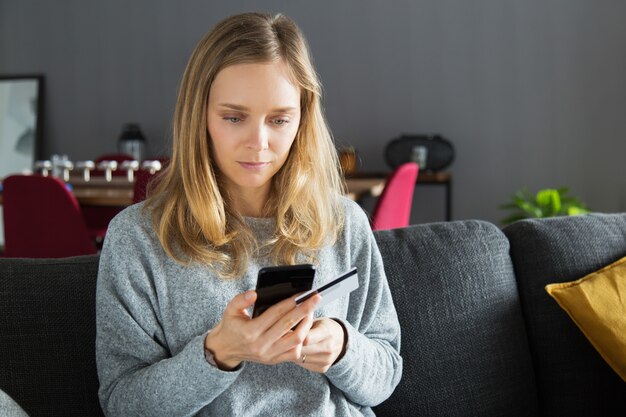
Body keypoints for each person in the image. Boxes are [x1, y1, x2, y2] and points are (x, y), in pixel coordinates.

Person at [96, 12, 402, 416]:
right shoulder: (138, 238)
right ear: (199, 116)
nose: (258, 143)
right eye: (234, 117)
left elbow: (386, 373)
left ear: (302, 120)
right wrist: (218, 353)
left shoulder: (343, 222)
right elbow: (122, 405)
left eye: (279, 120)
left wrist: (343, 347)